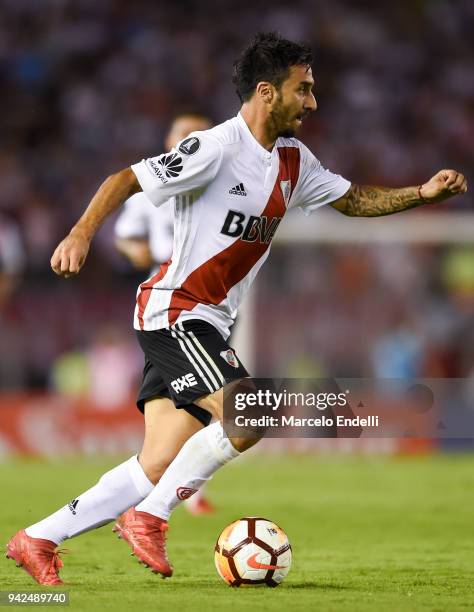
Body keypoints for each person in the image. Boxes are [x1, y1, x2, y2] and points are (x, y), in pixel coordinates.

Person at [7, 32, 467, 586]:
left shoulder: (295, 161)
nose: (314, 102)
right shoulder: (215, 148)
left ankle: (38, 538)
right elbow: (125, 178)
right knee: (254, 411)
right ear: (268, 93)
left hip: (207, 320)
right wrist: (80, 234)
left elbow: (353, 201)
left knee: (155, 464)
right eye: (305, 89)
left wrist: (420, 193)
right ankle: (149, 516)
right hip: (176, 312)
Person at [115, 111, 216, 514]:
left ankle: (156, 488)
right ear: (169, 139)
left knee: (196, 404)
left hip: (209, 299)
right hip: (166, 300)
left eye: (199, 134)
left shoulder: (216, 185)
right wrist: (132, 250)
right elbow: (124, 235)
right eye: (184, 133)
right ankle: (168, 491)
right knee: (208, 402)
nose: (191, 139)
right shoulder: (151, 188)